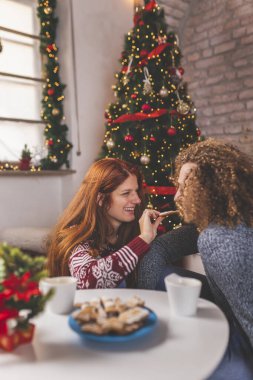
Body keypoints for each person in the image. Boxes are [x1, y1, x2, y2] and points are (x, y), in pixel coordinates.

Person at [138, 139, 253, 378]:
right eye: (178, 186)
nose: (177, 196)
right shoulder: (229, 215)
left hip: (243, 340)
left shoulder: (218, 238)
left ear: (213, 188)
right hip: (231, 314)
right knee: (165, 275)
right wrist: (146, 239)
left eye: (186, 187)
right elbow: (161, 249)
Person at [47, 158, 162, 289]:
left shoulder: (130, 230)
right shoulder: (75, 236)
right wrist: (144, 239)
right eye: (126, 193)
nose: (137, 200)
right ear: (101, 199)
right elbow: (88, 281)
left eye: (136, 191)